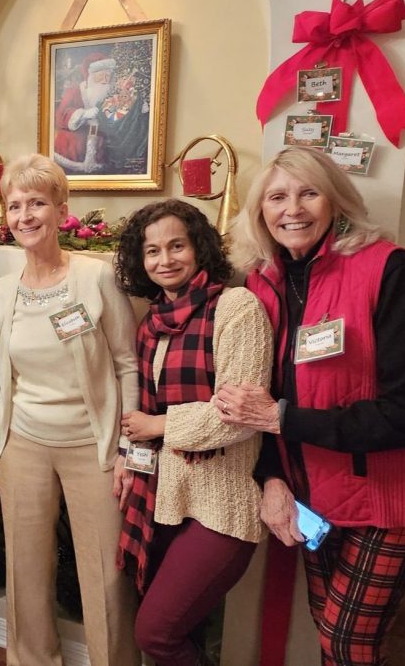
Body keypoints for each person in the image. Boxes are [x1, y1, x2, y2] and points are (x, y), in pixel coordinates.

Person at [222, 146, 405, 666]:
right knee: (333, 628)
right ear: (260, 210)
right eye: (277, 197)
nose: (293, 209)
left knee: (347, 640)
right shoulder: (259, 283)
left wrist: (283, 419)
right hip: (318, 487)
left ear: (336, 202)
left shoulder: (388, 269)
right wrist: (272, 477)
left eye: (309, 193)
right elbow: (257, 402)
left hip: (398, 489)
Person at [0, 153, 138, 666]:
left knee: (106, 574)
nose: (25, 216)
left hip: (92, 448)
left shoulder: (95, 278)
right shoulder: (4, 291)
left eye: (37, 203)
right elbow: (6, 378)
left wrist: (126, 447)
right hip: (22, 444)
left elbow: (126, 365)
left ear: (60, 210)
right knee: (24, 570)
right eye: (14, 205)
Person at [113, 200, 273, 666]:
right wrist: (128, 455)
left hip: (222, 506)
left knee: (156, 633)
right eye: (152, 251)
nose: (165, 260)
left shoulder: (236, 308)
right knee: (185, 632)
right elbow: (138, 408)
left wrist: (161, 425)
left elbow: (241, 415)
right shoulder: (152, 322)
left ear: (199, 247)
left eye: (177, 245)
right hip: (164, 496)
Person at [54, 53, 115, 173]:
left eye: (107, 76)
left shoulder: (108, 96)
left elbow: (113, 119)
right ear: (90, 75)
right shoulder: (74, 91)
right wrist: (83, 114)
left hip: (98, 150)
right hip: (71, 152)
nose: (104, 80)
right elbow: (61, 116)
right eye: (100, 76)